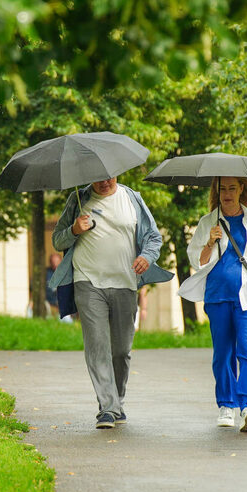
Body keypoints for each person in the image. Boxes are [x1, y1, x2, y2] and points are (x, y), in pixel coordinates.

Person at [48, 177, 174, 429]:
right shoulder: (78, 199)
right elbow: (57, 241)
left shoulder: (132, 198)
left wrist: (147, 257)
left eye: (110, 176)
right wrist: (74, 230)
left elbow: (153, 237)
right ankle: (107, 408)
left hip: (125, 282)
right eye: (98, 177)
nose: (105, 182)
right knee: (97, 346)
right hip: (87, 281)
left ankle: (117, 401)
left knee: (121, 350)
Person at [178, 176, 247, 433]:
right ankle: (226, 404)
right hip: (218, 296)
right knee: (223, 353)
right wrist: (210, 242)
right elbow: (197, 262)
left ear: (242, 189)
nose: (227, 194)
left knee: (246, 346)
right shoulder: (206, 223)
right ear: (217, 191)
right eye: (223, 189)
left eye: (232, 188)